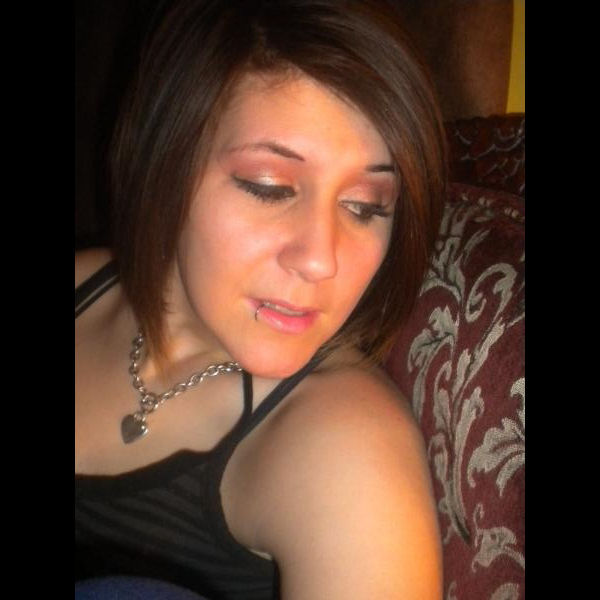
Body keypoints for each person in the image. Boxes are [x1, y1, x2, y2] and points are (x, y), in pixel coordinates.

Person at [75, 0, 448, 598]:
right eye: (269, 187)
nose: (321, 259)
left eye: (365, 207)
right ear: (164, 160)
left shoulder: (348, 449)